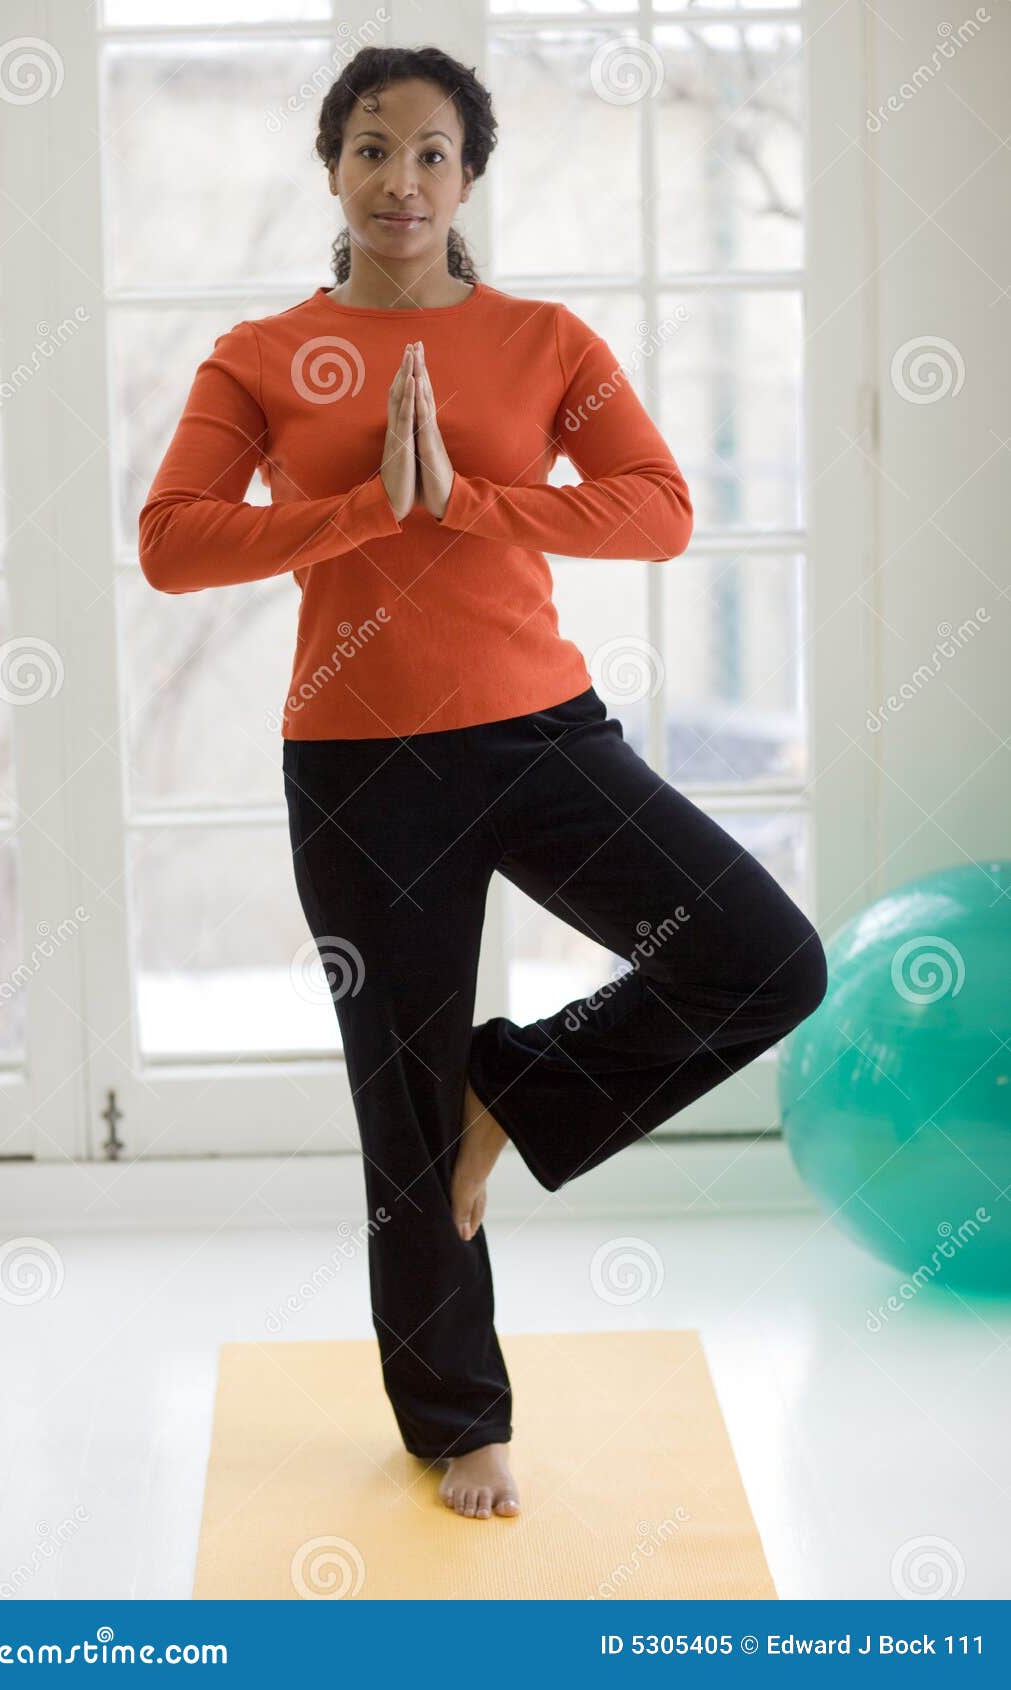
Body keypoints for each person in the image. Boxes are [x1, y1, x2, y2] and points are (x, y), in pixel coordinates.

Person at [139, 45, 828, 1524]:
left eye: (434, 153)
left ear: (470, 177)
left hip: (541, 733)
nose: (402, 179)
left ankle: (510, 1089)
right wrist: (351, 512)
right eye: (373, 149)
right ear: (332, 168)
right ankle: (460, 1418)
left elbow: (656, 509)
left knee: (765, 953)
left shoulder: (540, 339)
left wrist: (472, 502)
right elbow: (175, 539)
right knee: (401, 1113)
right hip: (356, 763)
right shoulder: (264, 355)